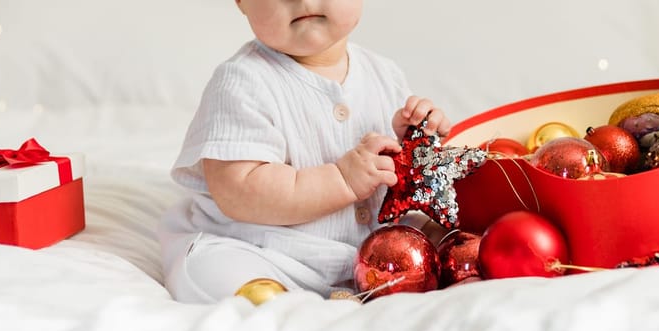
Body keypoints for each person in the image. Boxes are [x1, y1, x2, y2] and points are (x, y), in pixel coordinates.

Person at [158, 0, 452, 303]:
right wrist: (341, 180)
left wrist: (415, 139)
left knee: (447, 236)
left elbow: (403, 183)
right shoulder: (241, 83)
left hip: (379, 258)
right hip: (271, 255)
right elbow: (238, 191)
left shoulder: (385, 75)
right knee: (207, 269)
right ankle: (281, 304)